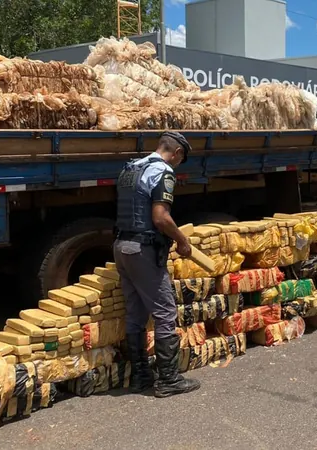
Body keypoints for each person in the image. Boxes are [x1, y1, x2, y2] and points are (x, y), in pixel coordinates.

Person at [113, 131, 200, 398]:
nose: (177, 164)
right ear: (177, 154)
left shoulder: (131, 168)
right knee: (165, 312)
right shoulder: (162, 172)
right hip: (143, 250)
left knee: (136, 313)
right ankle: (169, 380)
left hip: (121, 247)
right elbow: (160, 218)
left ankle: (140, 377)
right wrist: (183, 241)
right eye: (180, 159)